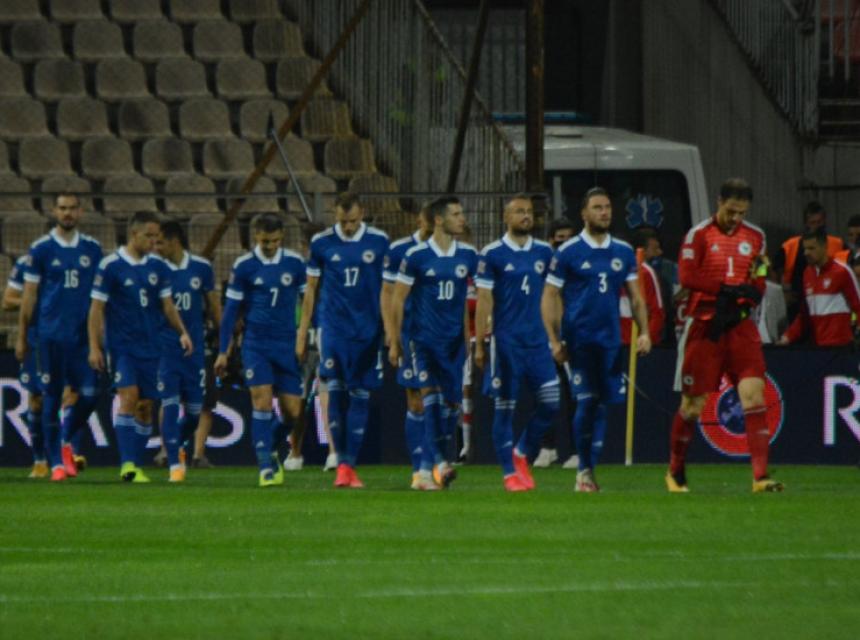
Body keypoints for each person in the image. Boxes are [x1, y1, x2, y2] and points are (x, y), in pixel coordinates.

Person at [670, 178, 783, 493]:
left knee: (754, 396)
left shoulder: (756, 236)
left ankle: (760, 477)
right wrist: (724, 290)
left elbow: (761, 269)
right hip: (706, 325)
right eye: (731, 211)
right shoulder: (699, 235)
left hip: (741, 326)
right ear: (718, 202)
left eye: (742, 213)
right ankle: (675, 471)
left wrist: (756, 289)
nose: (736, 218)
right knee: (692, 406)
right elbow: (687, 276)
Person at [541, 186, 651, 492]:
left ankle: (588, 467)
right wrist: (554, 340)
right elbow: (549, 295)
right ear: (584, 214)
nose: (604, 212)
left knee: (602, 404)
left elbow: (636, 297)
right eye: (598, 208)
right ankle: (584, 471)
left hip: (611, 341)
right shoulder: (568, 251)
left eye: (607, 207)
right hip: (580, 340)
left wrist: (644, 332)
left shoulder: (623, 251)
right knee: (587, 401)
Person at [89, 211, 193, 483]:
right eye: (149, 236)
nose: (153, 241)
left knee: (146, 406)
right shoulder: (111, 266)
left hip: (152, 347)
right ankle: (127, 465)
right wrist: (94, 346)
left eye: (157, 237)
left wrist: (182, 332)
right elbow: (96, 308)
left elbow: (167, 306)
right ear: (133, 234)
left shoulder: (158, 267)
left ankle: (135, 463)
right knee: (129, 397)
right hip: (122, 347)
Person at [296, 193, 389, 489]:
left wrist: (389, 329)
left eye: (353, 221)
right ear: (334, 215)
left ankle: (350, 464)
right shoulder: (322, 243)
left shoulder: (379, 241)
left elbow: (387, 290)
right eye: (343, 221)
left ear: (362, 213)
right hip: (333, 329)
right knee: (335, 392)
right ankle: (341, 465)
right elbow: (311, 290)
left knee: (360, 394)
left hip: (368, 331)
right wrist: (302, 332)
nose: (348, 227)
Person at [389, 196, 478, 491]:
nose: (462, 218)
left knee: (450, 406)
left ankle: (436, 466)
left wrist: (467, 338)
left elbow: (464, 301)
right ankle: (430, 468)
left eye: (461, 213)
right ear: (439, 220)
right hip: (423, 341)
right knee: (427, 401)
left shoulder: (468, 255)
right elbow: (398, 298)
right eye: (456, 214)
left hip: (453, 345)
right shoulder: (416, 255)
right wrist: (395, 340)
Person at [474, 194, 559, 491]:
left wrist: (556, 335)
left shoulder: (544, 252)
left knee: (551, 403)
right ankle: (509, 473)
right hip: (506, 343)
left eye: (529, 212)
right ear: (505, 217)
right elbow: (484, 300)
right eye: (519, 211)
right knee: (505, 408)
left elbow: (553, 296)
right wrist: (480, 343)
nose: (526, 216)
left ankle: (521, 452)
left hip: (538, 342)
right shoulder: (492, 253)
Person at [16, 193, 103, 481]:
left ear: (81, 211)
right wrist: (22, 337)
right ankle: (55, 463)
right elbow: (29, 296)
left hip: (81, 338)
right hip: (50, 337)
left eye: (72, 208)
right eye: (62, 208)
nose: (67, 213)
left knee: (89, 394)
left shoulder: (92, 249)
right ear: (54, 211)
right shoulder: (41, 249)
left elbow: (98, 298)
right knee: (50, 398)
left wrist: (97, 339)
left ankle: (64, 441)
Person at [216, 213, 306, 487]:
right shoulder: (244, 266)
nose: (270, 246)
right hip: (256, 344)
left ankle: (270, 447)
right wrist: (223, 351)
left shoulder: (295, 263)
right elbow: (230, 312)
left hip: (286, 344)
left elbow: (309, 299)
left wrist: (305, 334)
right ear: (256, 236)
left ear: (282, 237)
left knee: (293, 412)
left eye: (275, 241)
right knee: (262, 401)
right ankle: (265, 466)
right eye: (266, 241)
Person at [153, 220, 221, 482]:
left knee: (194, 413)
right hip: (165, 348)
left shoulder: (201, 268)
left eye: (160, 242)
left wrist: (225, 342)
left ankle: (174, 445)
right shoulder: (156, 269)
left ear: (174, 241)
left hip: (195, 352)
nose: (156, 247)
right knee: (169, 404)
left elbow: (214, 306)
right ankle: (173, 462)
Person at [381, 207, 432, 488]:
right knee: (416, 401)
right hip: (412, 335)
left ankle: (435, 461)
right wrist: (392, 334)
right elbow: (388, 293)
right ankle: (419, 469)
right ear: (420, 220)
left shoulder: (454, 252)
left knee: (442, 402)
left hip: (443, 337)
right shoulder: (400, 250)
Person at [533, 218, 577, 469]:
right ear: (551, 241)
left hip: (573, 335)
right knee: (545, 392)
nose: (565, 244)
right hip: (545, 336)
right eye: (560, 239)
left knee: (575, 395)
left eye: (569, 238)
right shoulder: (544, 269)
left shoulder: (578, 265)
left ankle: (576, 451)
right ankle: (546, 447)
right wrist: (551, 337)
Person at [778, 228, 860, 347]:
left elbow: (858, 306)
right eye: (805, 249)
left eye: (811, 248)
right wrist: (787, 337)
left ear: (824, 247)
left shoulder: (842, 272)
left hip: (841, 348)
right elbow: (804, 314)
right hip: (818, 348)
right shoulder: (807, 274)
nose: (806, 253)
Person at [4, 256, 46, 478]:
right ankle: (39, 460)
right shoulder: (27, 262)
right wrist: (33, 301)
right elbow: (8, 300)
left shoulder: (77, 259)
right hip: (36, 339)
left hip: (69, 338)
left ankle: (68, 456)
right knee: (37, 399)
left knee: (71, 396)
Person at [773, 201, 844, 322]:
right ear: (806, 223)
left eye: (819, 222)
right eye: (813, 222)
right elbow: (775, 270)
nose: (816, 226)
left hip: (830, 303)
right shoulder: (791, 245)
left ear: (824, 221)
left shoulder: (837, 244)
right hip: (797, 303)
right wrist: (782, 294)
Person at [620, 229, 665, 346]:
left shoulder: (646, 272)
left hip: (637, 343)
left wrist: (648, 339)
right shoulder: (610, 271)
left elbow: (657, 312)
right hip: (615, 342)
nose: (659, 253)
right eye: (654, 249)